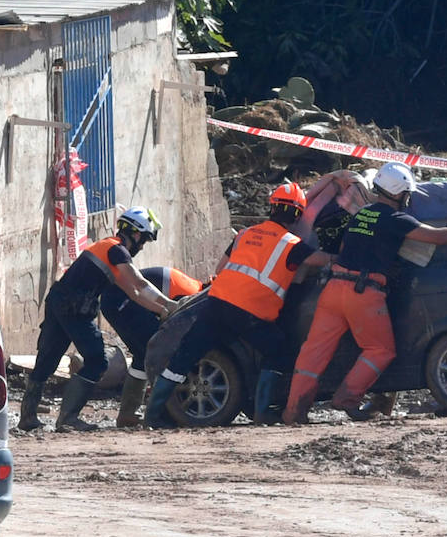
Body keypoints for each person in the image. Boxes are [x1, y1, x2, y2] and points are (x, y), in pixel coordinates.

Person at [283, 162, 447, 424]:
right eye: (407, 194)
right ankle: (346, 398)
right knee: (380, 350)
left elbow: (349, 245)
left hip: (333, 289)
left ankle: (294, 411)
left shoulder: (362, 214)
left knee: (313, 352)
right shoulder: (397, 219)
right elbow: (436, 237)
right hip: (363, 293)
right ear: (399, 193)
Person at [144, 182, 332, 427]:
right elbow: (321, 260)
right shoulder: (292, 245)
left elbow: (219, 269)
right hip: (250, 313)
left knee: (184, 357)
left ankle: (152, 415)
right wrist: (343, 257)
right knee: (278, 351)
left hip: (216, 305)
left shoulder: (245, 234)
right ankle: (263, 412)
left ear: (271, 207)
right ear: (297, 215)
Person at [20, 207, 175, 432]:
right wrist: (169, 305)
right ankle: (68, 418)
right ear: (135, 233)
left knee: (48, 357)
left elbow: (134, 293)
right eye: (144, 240)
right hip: (74, 307)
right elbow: (140, 285)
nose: (142, 246)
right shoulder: (117, 251)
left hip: (59, 301)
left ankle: (28, 417)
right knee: (96, 361)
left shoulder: (108, 248)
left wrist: (162, 309)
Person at [97, 265, 205, 428]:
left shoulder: (194, 289)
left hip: (114, 300)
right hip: (120, 299)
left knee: (143, 355)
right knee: (160, 352)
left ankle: (128, 415)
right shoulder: (190, 298)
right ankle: (161, 413)